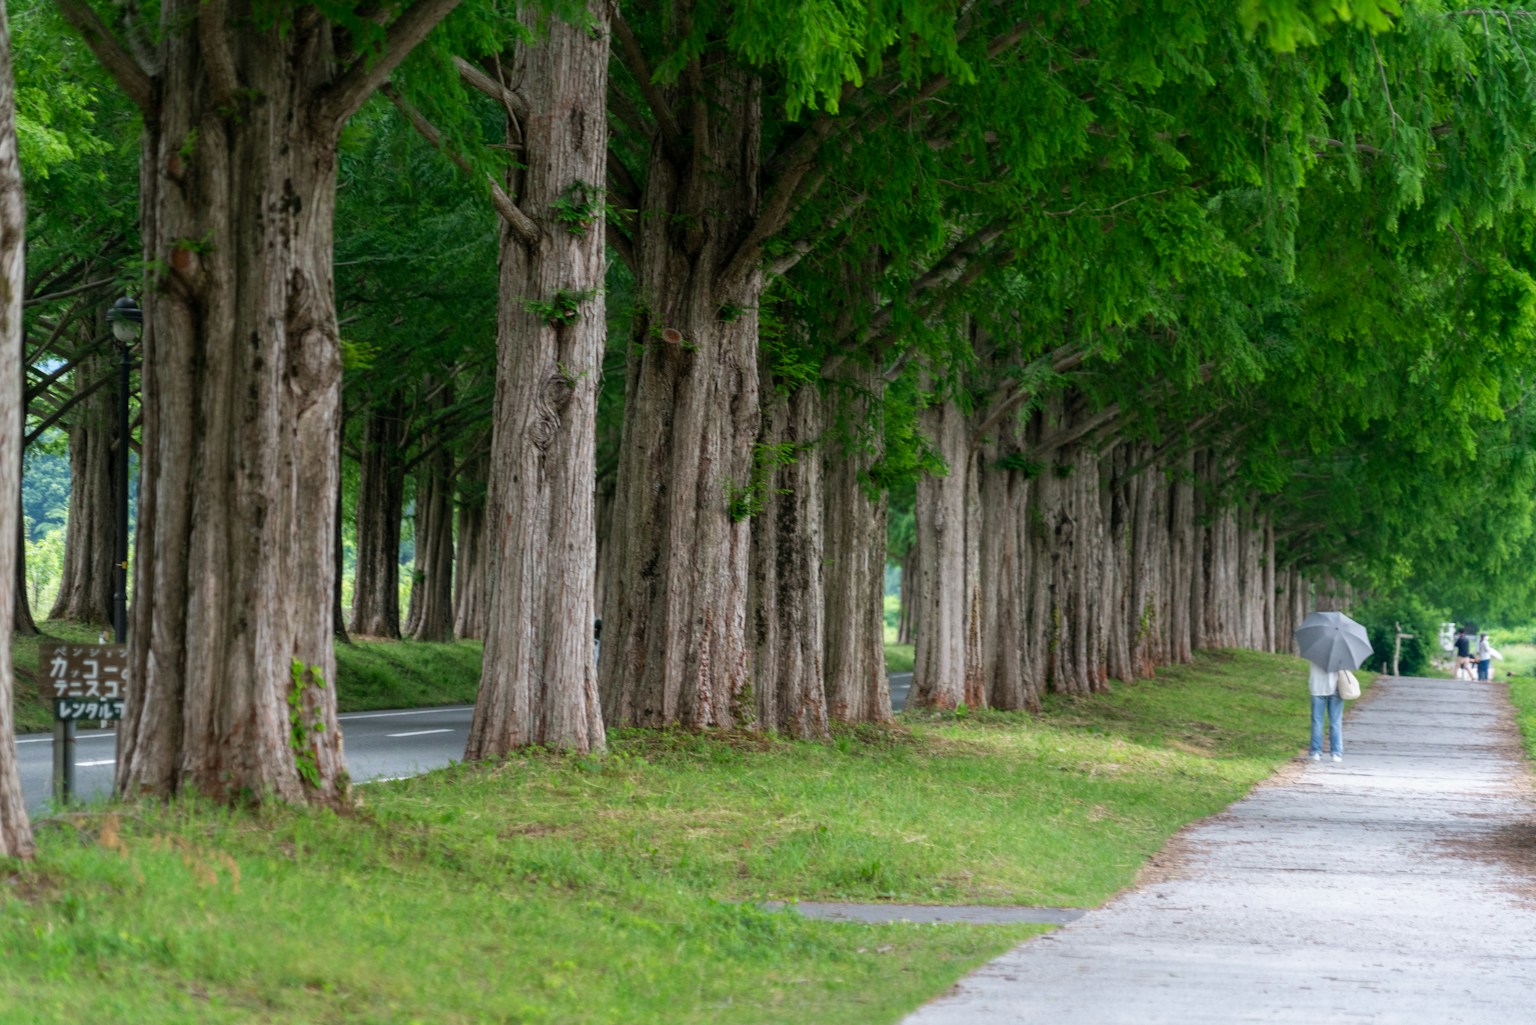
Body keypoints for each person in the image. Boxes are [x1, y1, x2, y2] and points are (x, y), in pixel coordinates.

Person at [1308, 661, 1344, 762]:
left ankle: (1316, 752)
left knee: (1317, 721)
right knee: (1335, 722)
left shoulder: (1314, 650)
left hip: (1317, 687)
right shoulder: (1340, 651)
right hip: (1335, 687)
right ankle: (1336, 753)